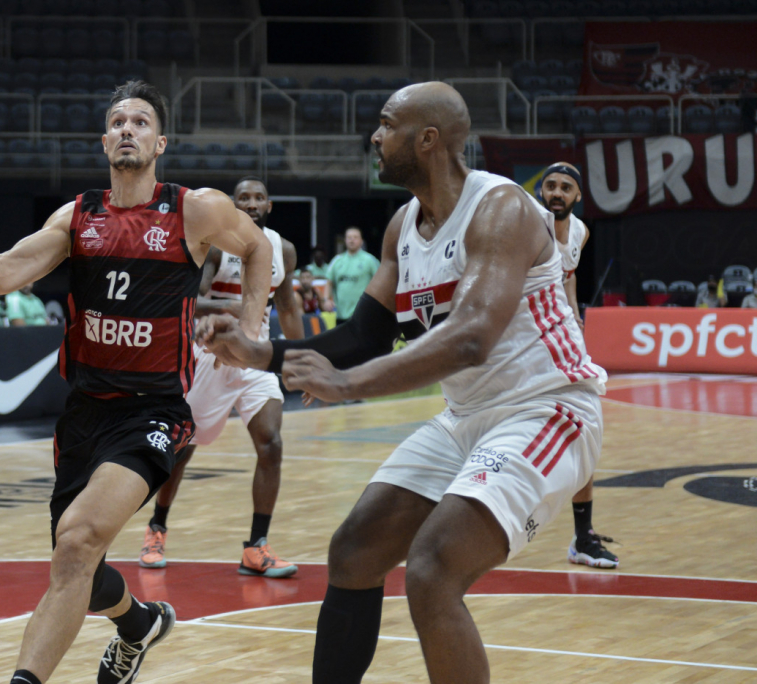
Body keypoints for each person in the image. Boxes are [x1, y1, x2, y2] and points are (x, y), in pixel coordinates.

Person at [198, 82, 607, 684]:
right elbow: (364, 333)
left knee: (433, 568)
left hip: (549, 410)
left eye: (387, 125)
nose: (375, 136)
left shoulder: (501, 208)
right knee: (355, 550)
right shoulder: (402, 227)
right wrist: (260, 352)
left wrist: (346, 384)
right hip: (467, 417)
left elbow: (471, 336)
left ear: (428, 140)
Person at [0, 80, 272, 684]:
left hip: (154, 412)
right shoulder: (77, 217)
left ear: (160, 141)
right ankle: (139, 624)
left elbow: (257, 247)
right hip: (85, 413)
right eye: (117, 122)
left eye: (140, 122)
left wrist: (252, 329)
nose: (127, 130)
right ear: (103, 141)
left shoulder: (195, 209)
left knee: (78, 542)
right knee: (78, 569)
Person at [140, 176, 303, 578]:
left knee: (272, 443)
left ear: (269, 205)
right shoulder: (217, 246)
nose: (250, 203)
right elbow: (189, 301)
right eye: (243, 198)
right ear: (232, 206)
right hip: (212, 354)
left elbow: (290, 308)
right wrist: (236, 304)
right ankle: (156, 526)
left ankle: (256, 546)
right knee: (182, 447)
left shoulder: (283, 250)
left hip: (258, 356)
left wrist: (302, 361)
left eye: (258, 197)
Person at [540, 162, 619, 570]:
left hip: (559, 344)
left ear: (577, 196)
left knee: (584, 430)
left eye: (565, 187)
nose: (556, 193)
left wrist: (573, 318)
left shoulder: (581, 232)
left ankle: (583, 537)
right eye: (550, 185)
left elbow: (568, 278)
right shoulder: (527, 225)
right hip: (519, 347)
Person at [326, 226, 379, 323]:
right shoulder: (337, 260)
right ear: (345, 240)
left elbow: (380, 282)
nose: (352, 240)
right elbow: (329, 282)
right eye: (349, 237)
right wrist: (326, 300)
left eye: (355, 237)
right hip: (341, 315)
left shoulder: (370, 260)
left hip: (363, 315)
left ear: (361, 241)